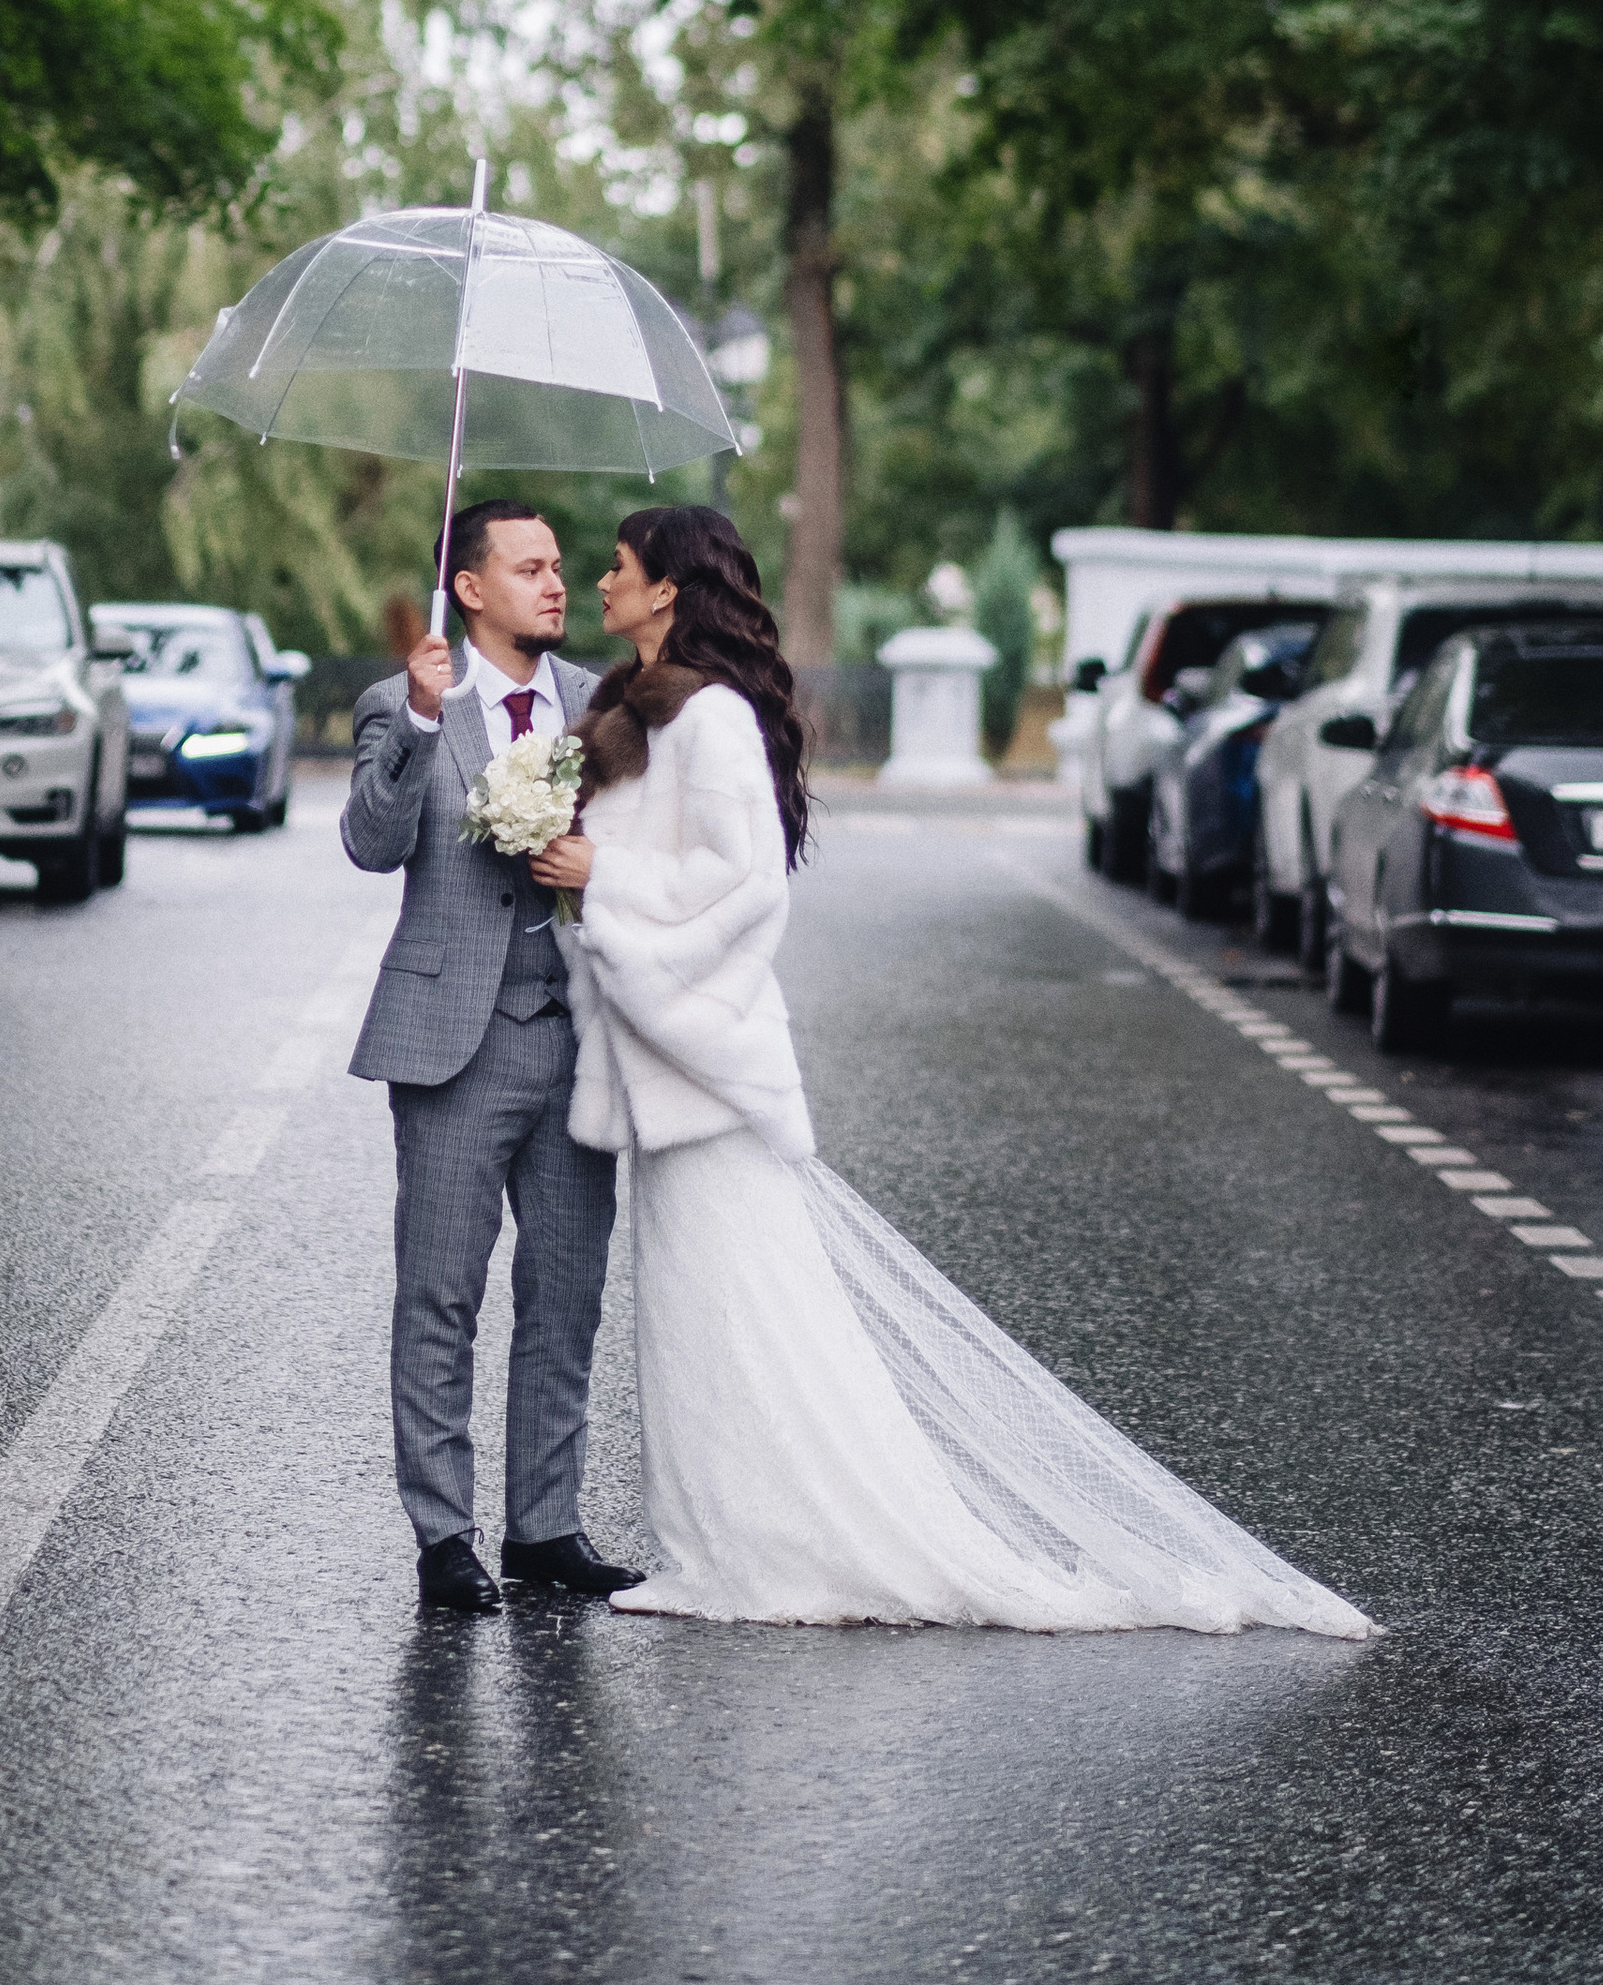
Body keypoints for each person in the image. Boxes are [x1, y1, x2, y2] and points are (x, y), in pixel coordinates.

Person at [529, 503, 1374, 1636]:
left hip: (706, 1059)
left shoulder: (714, 717)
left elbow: (747, 889)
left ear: (669, 588)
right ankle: (712, 1545)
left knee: (743, 1313)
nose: (597, 582)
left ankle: (767, 1553)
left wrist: (608, 881)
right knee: (694, 1317)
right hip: (659, 1059)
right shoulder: (632, 711)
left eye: (616, 567)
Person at [342, 499, 641, 1615]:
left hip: (576, 1039)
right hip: (448, 1045)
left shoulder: (600, 705)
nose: (557, 586)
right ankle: (443, 1536)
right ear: (469, 588)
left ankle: (546, 1526)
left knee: (566, 1296)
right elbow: (370, 846)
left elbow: (646, 841)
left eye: (561, 567)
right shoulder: (404, 700)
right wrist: (422, 722)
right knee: (441, 1297)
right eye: (530, 569)